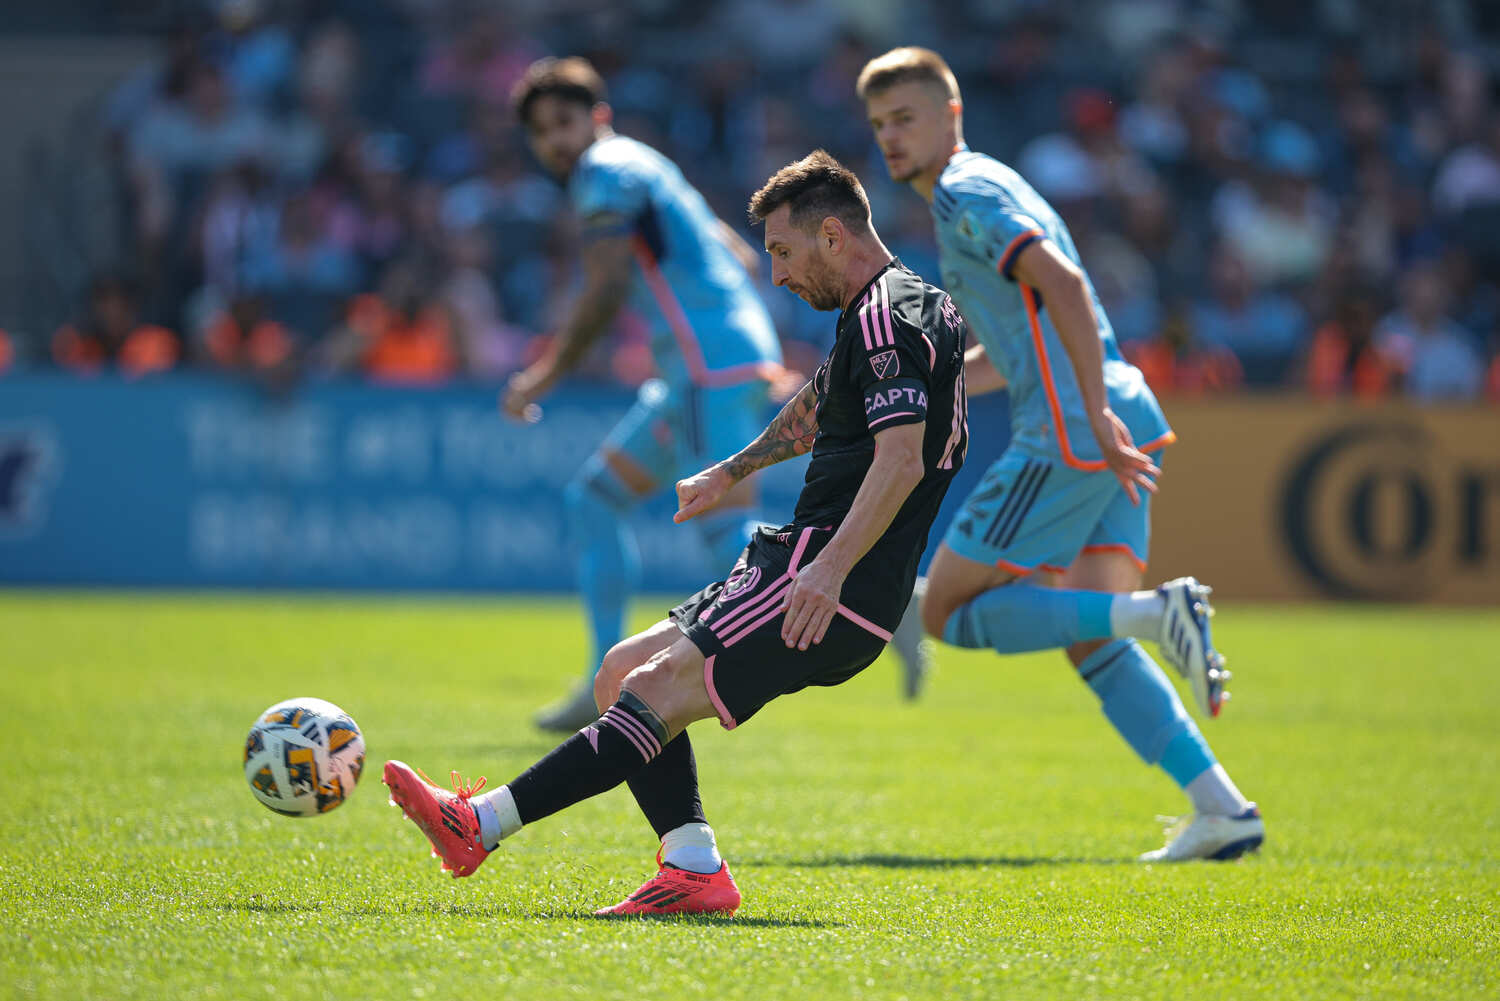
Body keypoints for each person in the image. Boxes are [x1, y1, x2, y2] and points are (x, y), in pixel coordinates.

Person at [385, 151, 968, 915]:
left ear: (833, 236)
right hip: (809, 564)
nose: (780, 277)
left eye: (785, 253)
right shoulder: (895, 306)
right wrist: (728, 471)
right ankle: (693, 864)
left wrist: (827, 570)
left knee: (650, 690)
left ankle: (478, 823)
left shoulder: (886, 315)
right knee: (620, 673)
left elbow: (900, 459)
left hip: (830, 578)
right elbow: (818, 409)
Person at [857, 47, 1263, 862]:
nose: (891, 138)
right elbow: (1021, 339)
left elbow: (1068, 288)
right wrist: (938, 396)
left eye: (906, 118)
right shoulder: (980, 189)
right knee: (1089, 634)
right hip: (1115, 412)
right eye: (879, 125)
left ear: (952, 115)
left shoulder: (967, 192)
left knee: (945, 613)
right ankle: (1223, 809)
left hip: (1075, 428)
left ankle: (1160, 612)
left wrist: (1094, 415)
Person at [499, 58, 929, 731]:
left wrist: (543, 375)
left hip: (707, 364)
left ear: (598, 118)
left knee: (721, 529)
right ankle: (599, 680)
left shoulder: (603, 174)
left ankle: (871, 598)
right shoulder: (646, 165)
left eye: (566, 122)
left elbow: (609, 286)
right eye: (543, 130)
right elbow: (736, 251)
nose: (556, 139)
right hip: (704, 365)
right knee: (595, 498)